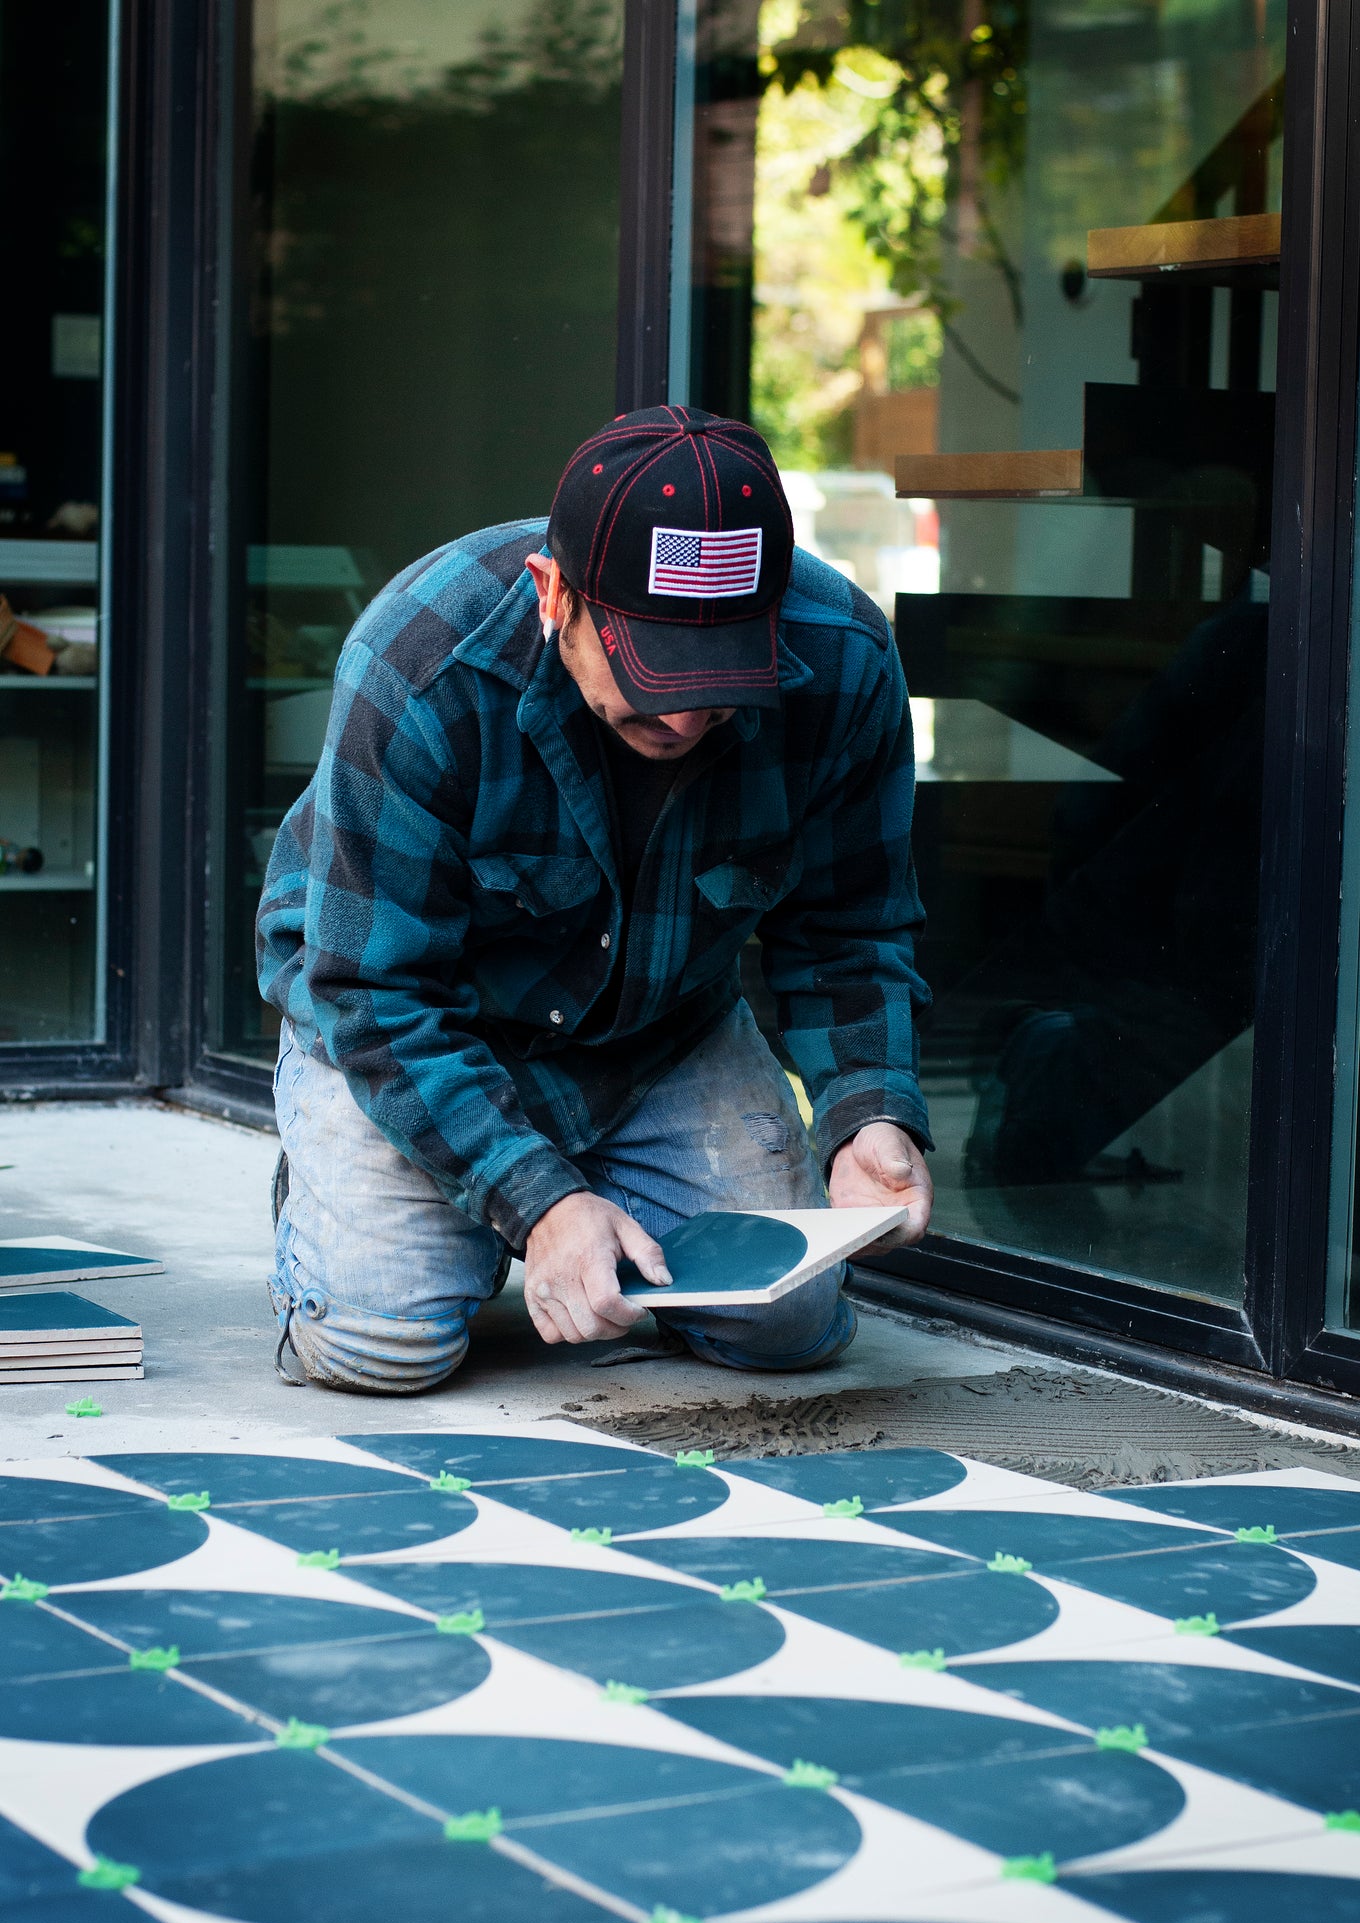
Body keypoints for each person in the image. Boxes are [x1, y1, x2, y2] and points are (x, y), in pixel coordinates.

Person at [256, 404, 933, 1394]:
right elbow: (372, 990)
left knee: (788, 1323)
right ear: (554, 594)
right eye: (655, 665)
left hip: (658, 1029)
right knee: (382, 1345)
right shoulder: (422, 664)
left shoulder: (843, 665)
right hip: (418, 1023)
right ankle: (373, 1194)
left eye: (722, 672)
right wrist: (539, 1203)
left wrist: (868, 1110)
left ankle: (572, 1197)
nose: (687, 709)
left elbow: (850, 927)